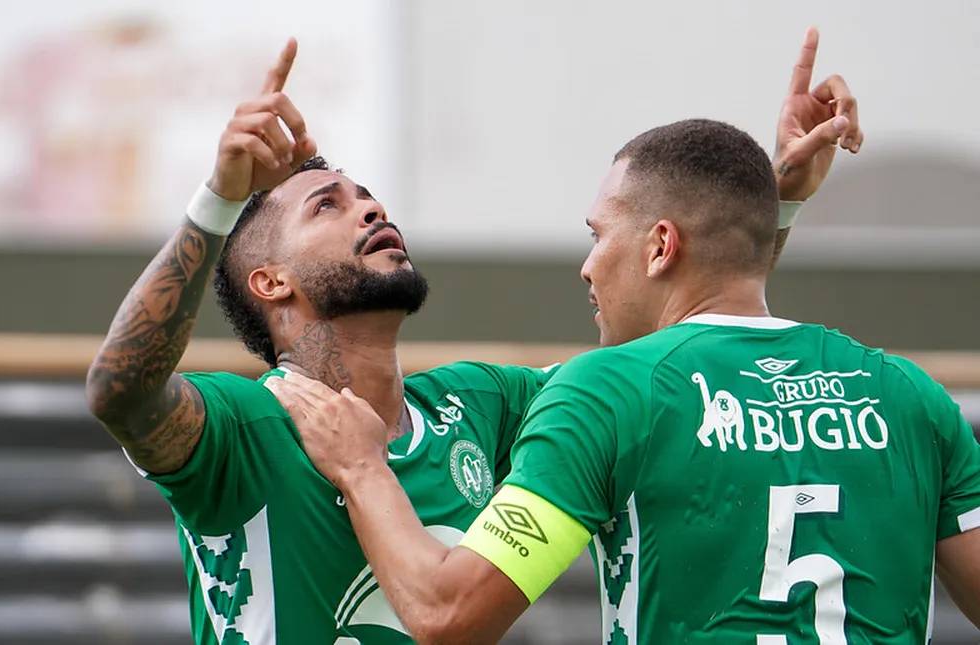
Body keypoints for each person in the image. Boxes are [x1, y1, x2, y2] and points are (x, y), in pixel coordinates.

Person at [87, 28, 858, 644]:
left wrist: (765, 212)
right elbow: (120, 388)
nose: (368, 208)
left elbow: (668, 366)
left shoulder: (476, 403)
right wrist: (221, 198)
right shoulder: (245, 426)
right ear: (270, 281)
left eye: (368, 195)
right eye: (328, 205)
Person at [267, 31, 978, 645]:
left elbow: (449, 613)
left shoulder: (607, 394)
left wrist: (362, 467)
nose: (586, 264)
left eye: (598, 234)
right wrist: (772, 206)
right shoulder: (912, 396)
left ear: (661, 245)